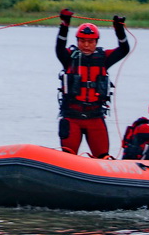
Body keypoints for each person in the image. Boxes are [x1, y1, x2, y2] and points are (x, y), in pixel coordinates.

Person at [55, 9, 129, 158]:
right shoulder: (69, 58)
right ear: (77, 41)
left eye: (90, 42)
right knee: (68, 156)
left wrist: (119, 30)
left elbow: (124, 49)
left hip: (95, 117)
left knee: (103, 156)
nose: (86, 45)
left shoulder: (104, 59)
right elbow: (59, 47)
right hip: (72, 116)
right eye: (82, 41)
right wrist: (65, 25)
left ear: (96, 42)